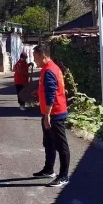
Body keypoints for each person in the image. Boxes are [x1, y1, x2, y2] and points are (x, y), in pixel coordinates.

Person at [31, 45, 70, 187]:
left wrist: (47, 115)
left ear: (43, 56)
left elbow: (51, 94)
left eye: (35, 57)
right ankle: (49, 169)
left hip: (55, 114)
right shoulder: (49, 68)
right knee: (49, 143)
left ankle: (64, 176)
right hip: (50, 113)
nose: (34, 61)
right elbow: (48, 89)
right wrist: (38, 92)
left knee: (61, 145)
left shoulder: (49, 70)